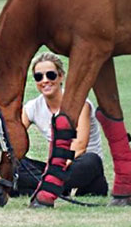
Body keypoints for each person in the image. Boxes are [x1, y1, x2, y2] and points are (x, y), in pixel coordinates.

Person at [11, 52, 108, 197]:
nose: (45, 81)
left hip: (78, 163)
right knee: (14, 165)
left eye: (51, 75)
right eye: (39, 77)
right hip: (54, 168)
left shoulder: (80, 104)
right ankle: (55, 187)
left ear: (61, 76)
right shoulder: (32, 107)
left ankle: (45, 186)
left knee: (91, 160)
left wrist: (56, 170)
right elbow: (15, 138)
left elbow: (80, 146)